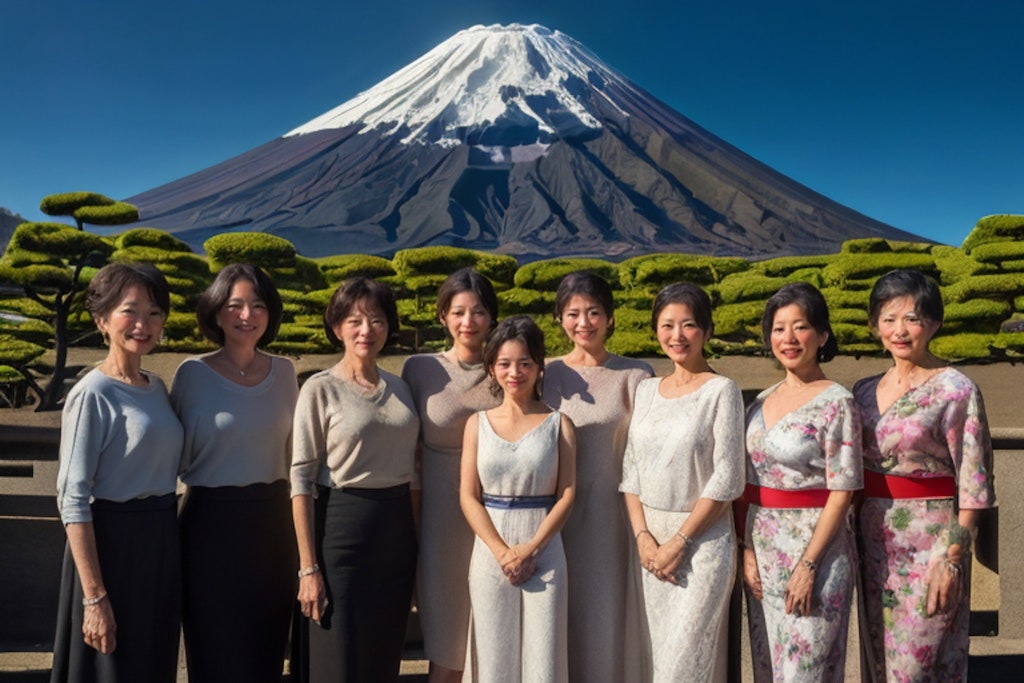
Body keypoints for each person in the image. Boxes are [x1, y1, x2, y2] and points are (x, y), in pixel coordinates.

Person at [853, 269, 995, 682]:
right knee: (877, 662)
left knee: (919, 664)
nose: (899, 330)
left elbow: (974, 486)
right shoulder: (862, 390)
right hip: (871, 545)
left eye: (912, 319)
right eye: (888, 318)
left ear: (933, 323)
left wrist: (952, 559)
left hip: (931, 546)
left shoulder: (956, 389)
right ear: (874, 324)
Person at [51, 263, 183, 683]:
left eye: (154, 312)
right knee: (110, 668)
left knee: (151, 663)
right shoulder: (92, 393)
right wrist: (94, 597)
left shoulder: (156, 386)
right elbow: (72, 497)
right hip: (111, 549)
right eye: (130, 311)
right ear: (102, 320)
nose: (143, 324)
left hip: (160, 542)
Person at [170, 263, 298, 682]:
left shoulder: (285, 373)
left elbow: (297, 454)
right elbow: (174, 453)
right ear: (216, 313)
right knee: (215, 651)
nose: (247, 315)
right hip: (210, 526)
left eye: (258, 305)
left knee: (266, 651)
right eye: (235, 305)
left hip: (274, 528)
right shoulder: (193, 373)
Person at [291, 277, 419, 682]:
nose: (367, 331)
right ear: (337, 327)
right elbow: (300, 478)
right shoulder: (320, 388)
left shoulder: (401, 388)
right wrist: (308, 568)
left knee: (384, 650)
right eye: (355, 320)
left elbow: (413, 470)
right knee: (339, 651)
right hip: (342, 532)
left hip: (395, 532)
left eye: (377, 320)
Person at [619, 282, 745, 683]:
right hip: (648, 546)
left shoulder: (722, 390)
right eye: (667, 325)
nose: (677, 335)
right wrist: (642, 537)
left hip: (701, 545)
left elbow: (727, 475)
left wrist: (680, 541)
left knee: (686, 666)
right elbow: (631, 469)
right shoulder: (645, 389)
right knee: (652, 661)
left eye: (688, 325)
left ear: (707, 331)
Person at [737, 282, 863, 682]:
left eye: (800, 327)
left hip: (817, 553)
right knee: (768, 669)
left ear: (822, 335)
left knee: (804, 672)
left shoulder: (837, 402)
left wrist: (809, 565)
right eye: (778, 328)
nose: (788, 339)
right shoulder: (759, 401)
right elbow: (748, 482)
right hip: (764, 551)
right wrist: (747, 550)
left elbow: (843, 492)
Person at [542, 271, 653, 682]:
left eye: (593, 312)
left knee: (606, 614)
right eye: (573, 313)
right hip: (556, 514)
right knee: (559, 615)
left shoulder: (636, 375)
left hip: (613, 514)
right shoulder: (545, 373)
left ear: (610, 318)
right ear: (559, 319)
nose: (583, 322)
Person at [460, 315, 577, 682]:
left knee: (544, 653)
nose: (515, 372)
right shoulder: (476, 423)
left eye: (525, 363)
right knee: (494, 654)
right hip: (490, 550)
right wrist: (501, 551)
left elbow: (568, 493)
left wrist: (531, 549)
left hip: (545, 548)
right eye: (505, 364)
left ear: (540, 367)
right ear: (491, 369)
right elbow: (468, 496)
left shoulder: (560, 423)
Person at [401, 267, 501, 683]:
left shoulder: (511, 365)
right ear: (442, 316)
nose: (468, 322)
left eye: (478, 311)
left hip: (499, 509)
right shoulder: (420, 369)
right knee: (445, 638)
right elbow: (408, 448)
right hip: (440, 512)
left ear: (492, 317)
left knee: (494, 630)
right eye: (458, 311)